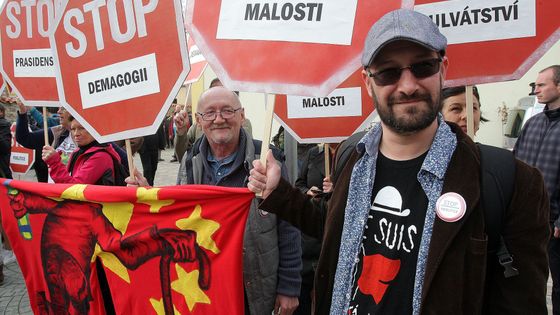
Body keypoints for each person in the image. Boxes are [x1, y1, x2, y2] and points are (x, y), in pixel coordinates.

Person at [248, 9, 549, 314]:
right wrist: (278, 192)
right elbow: (338, 226)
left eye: (423, 67)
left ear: (443, 69)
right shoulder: (354, 157)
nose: (407, 86)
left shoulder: (508, 181)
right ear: (368, 83)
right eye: (388, 72)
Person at [130, 86, 302, 315]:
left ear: (242, 115)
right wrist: (147, 196)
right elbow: (178, 216)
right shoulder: (191, 161)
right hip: (206, 285)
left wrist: (289, 287)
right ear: (199, 121)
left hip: (254, 288)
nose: (219, 119)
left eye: (227, 111)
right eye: (209, 113)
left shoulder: (269, 160)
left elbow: (289, 225)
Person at [513, 64, 560, 314]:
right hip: (527, 220)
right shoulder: (532, 124)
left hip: (555, 224)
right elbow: (516, 164)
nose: (536, 89)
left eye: (542, 84)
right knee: (529, 281)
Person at [293, 144, 334, 315]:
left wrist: (335, 190)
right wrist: (307, 191)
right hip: (308, 239)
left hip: (332, 237)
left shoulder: (354, 152)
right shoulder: (314, 153)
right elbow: (299, 184)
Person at [42, 116, 121, 185]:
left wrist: (54, 162)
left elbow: (74, 189)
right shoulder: (77, 152)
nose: (76, 133)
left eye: (82, 128)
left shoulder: (101, 157)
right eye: (73, 129)